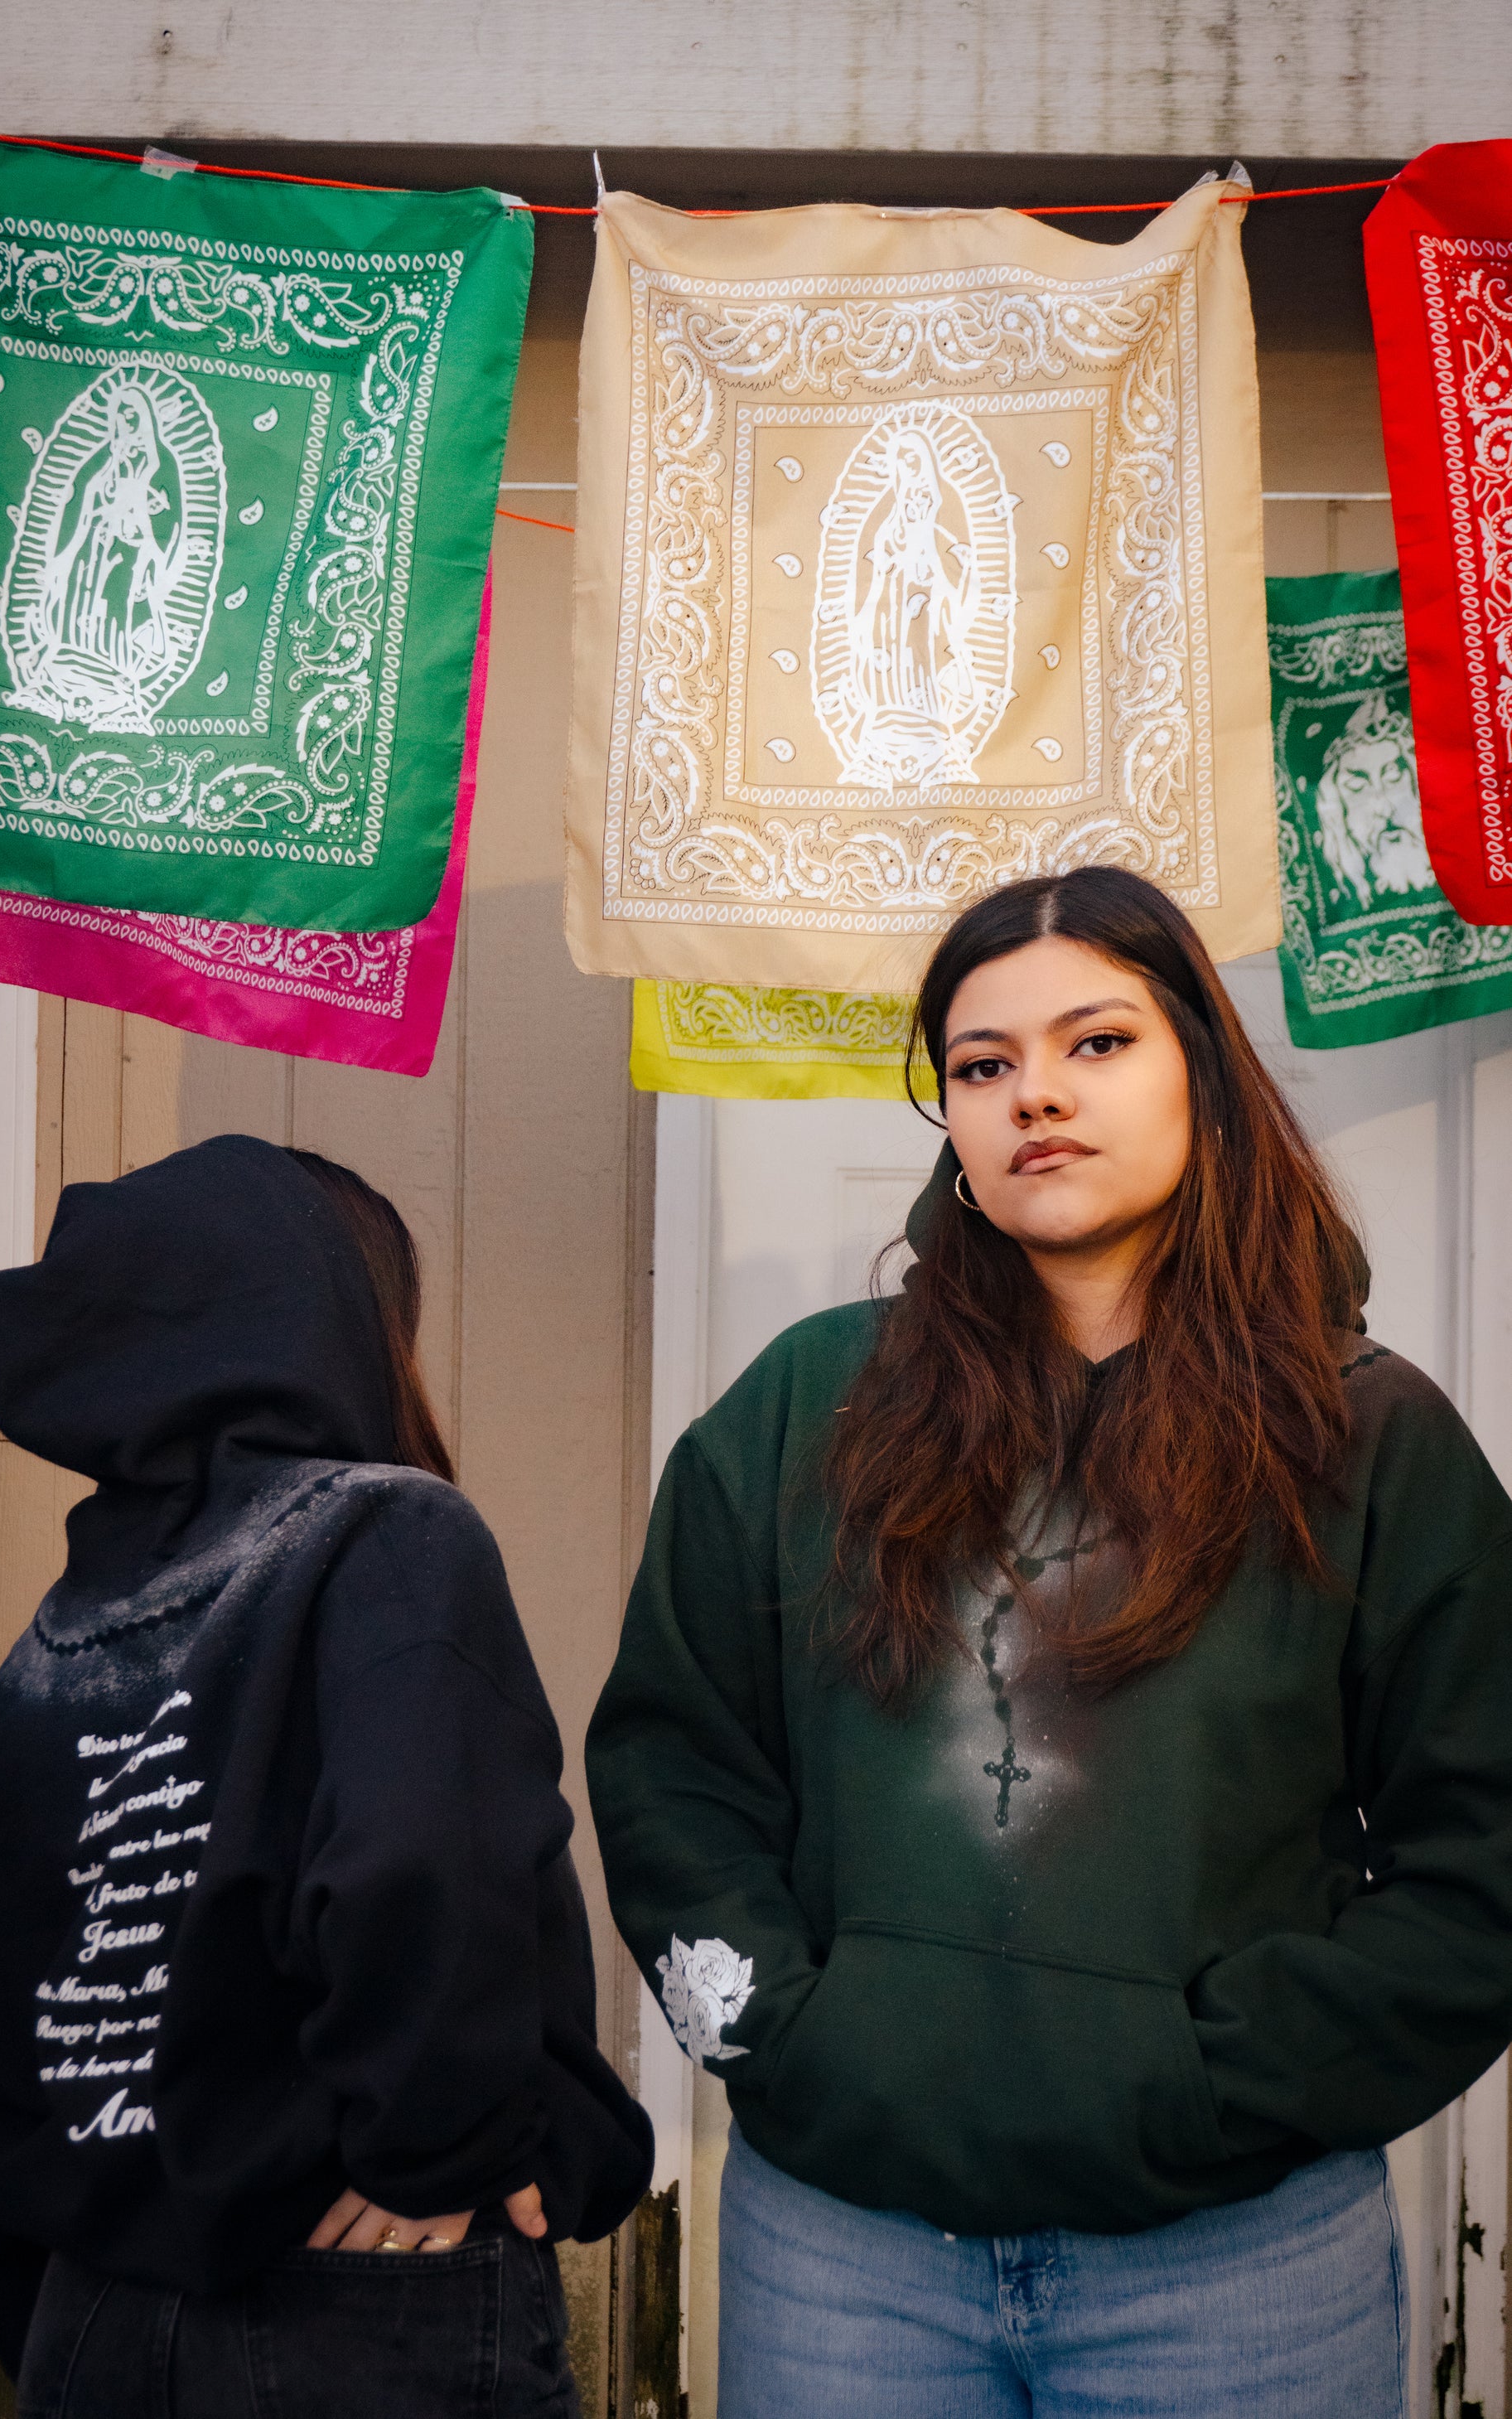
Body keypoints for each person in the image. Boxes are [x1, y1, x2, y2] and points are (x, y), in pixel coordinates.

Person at [587, 865, 1512, 2419]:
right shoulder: (804, 1407)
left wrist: (1219, 2081)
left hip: (1235, 2269)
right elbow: (674, 1772)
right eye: (981, 1064)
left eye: (1097, 1043)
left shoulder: (1367, 1436)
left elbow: (1480, 1854)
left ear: (1202, 1073)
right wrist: (801, 2044)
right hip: (845, 2257)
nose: (1034, 1095)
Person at [0, 1135, 651, 2417]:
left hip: (94, 2322)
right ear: (341, 1320)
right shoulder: (384, 1532)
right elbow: (420, 1866)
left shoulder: (63, 1639)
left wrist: (49, 2301)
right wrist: (440, 2155)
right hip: (355, 2303)